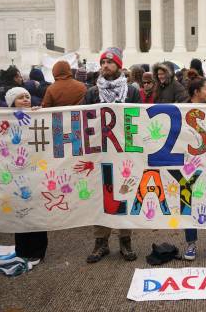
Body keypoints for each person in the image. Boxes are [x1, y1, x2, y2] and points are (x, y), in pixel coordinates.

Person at [81, 47, 140, 263]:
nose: (105, 66)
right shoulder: (92, 92)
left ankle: (125, 241)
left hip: (124, 152)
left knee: (124, 194)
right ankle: (101, 242)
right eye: (103, 62)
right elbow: (78, 118)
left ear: (119, 66)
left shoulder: (132, 92)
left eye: (110, 62)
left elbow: (139, 119)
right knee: (102, 198)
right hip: (100, 152)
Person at [2, 87, 46, 264]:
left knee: (36, 210)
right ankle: (22, 249)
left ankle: (38, 250)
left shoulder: (37, 115)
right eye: (21, 98)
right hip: (16, 172)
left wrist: (39, 113)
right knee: (20, 210)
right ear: (12, 102)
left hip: (34, 170)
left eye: (27, 96)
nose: (26, 100)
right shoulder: (4, 119)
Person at [183, 77, 206, 260]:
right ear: (196, 91)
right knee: (188, 202)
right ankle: (191, 243)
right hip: (188, 165)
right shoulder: (180, 109)